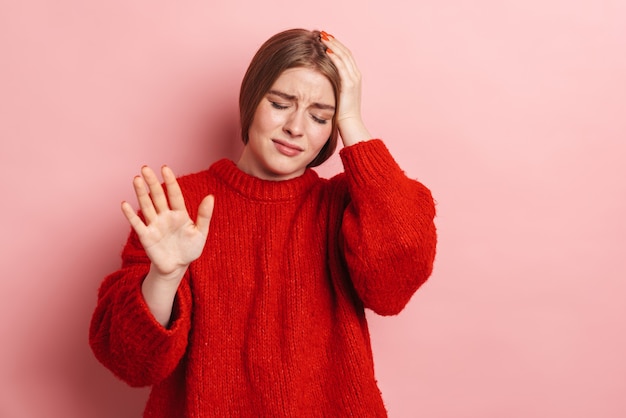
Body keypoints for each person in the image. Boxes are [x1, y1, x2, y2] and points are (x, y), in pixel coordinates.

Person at [89, 28, 437, 417]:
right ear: (252, 99)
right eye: (280, 103)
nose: (296, 128)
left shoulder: (346, 205)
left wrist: (353, 121)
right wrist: (164, 277)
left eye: (321, 116)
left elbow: (395, 282)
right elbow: (130, 363)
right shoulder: (177, 208)